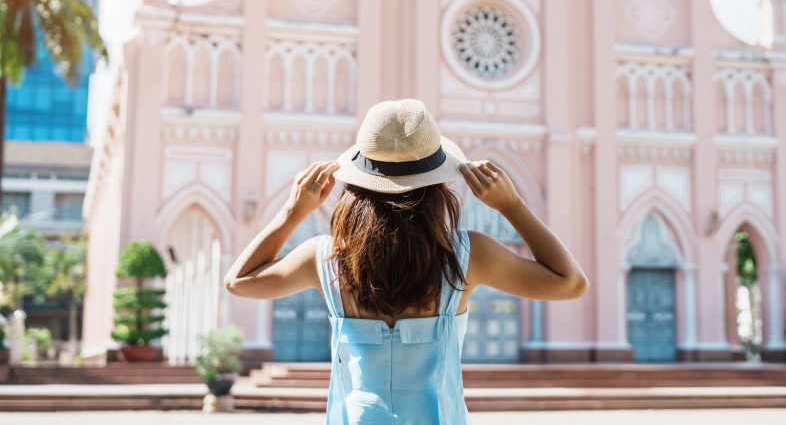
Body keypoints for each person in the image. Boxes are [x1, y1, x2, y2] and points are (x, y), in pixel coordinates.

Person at [224, 98, 589, 423]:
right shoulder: (467, 255)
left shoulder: (326, 257)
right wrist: (511, 205)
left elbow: (238, 281)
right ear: (437, 187)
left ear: (357, 183)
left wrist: (292, 212)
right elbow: (570, 283)